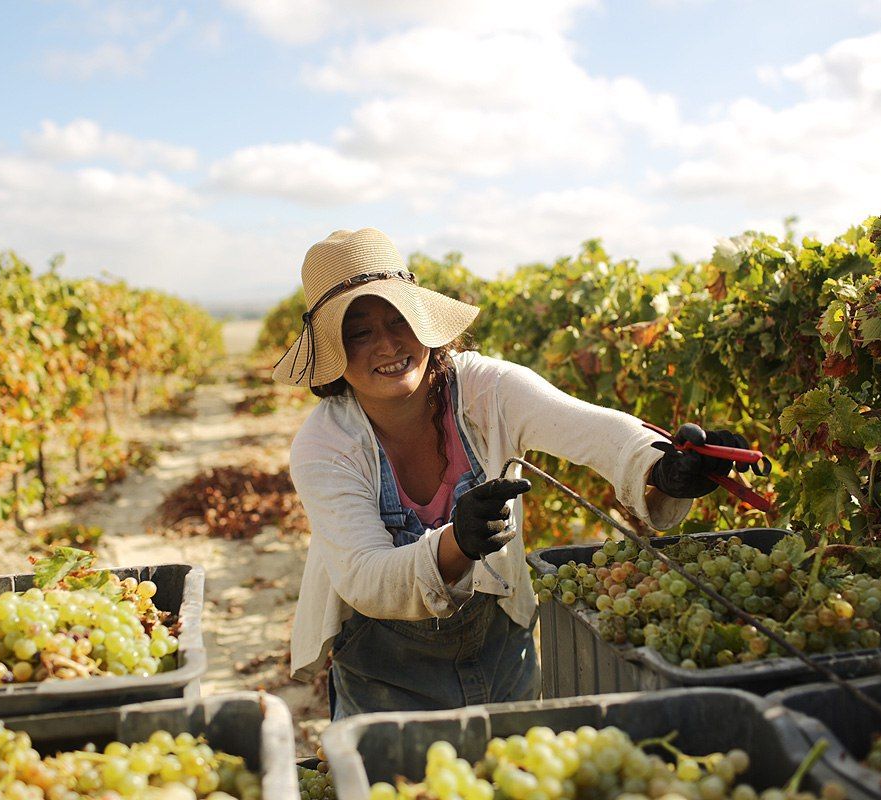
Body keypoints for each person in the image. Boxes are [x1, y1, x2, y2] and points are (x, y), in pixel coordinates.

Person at [273, 228, 751, 719]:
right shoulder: (325, 445)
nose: (389, 344)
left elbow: (587, 426)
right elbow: (365, 577)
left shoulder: (487, 388)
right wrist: (456, 543)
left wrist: (661, 465)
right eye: (360, 332)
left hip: (503, 650)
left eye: (400, 321)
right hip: (383, 675)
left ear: (424, 323)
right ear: (332, 352)